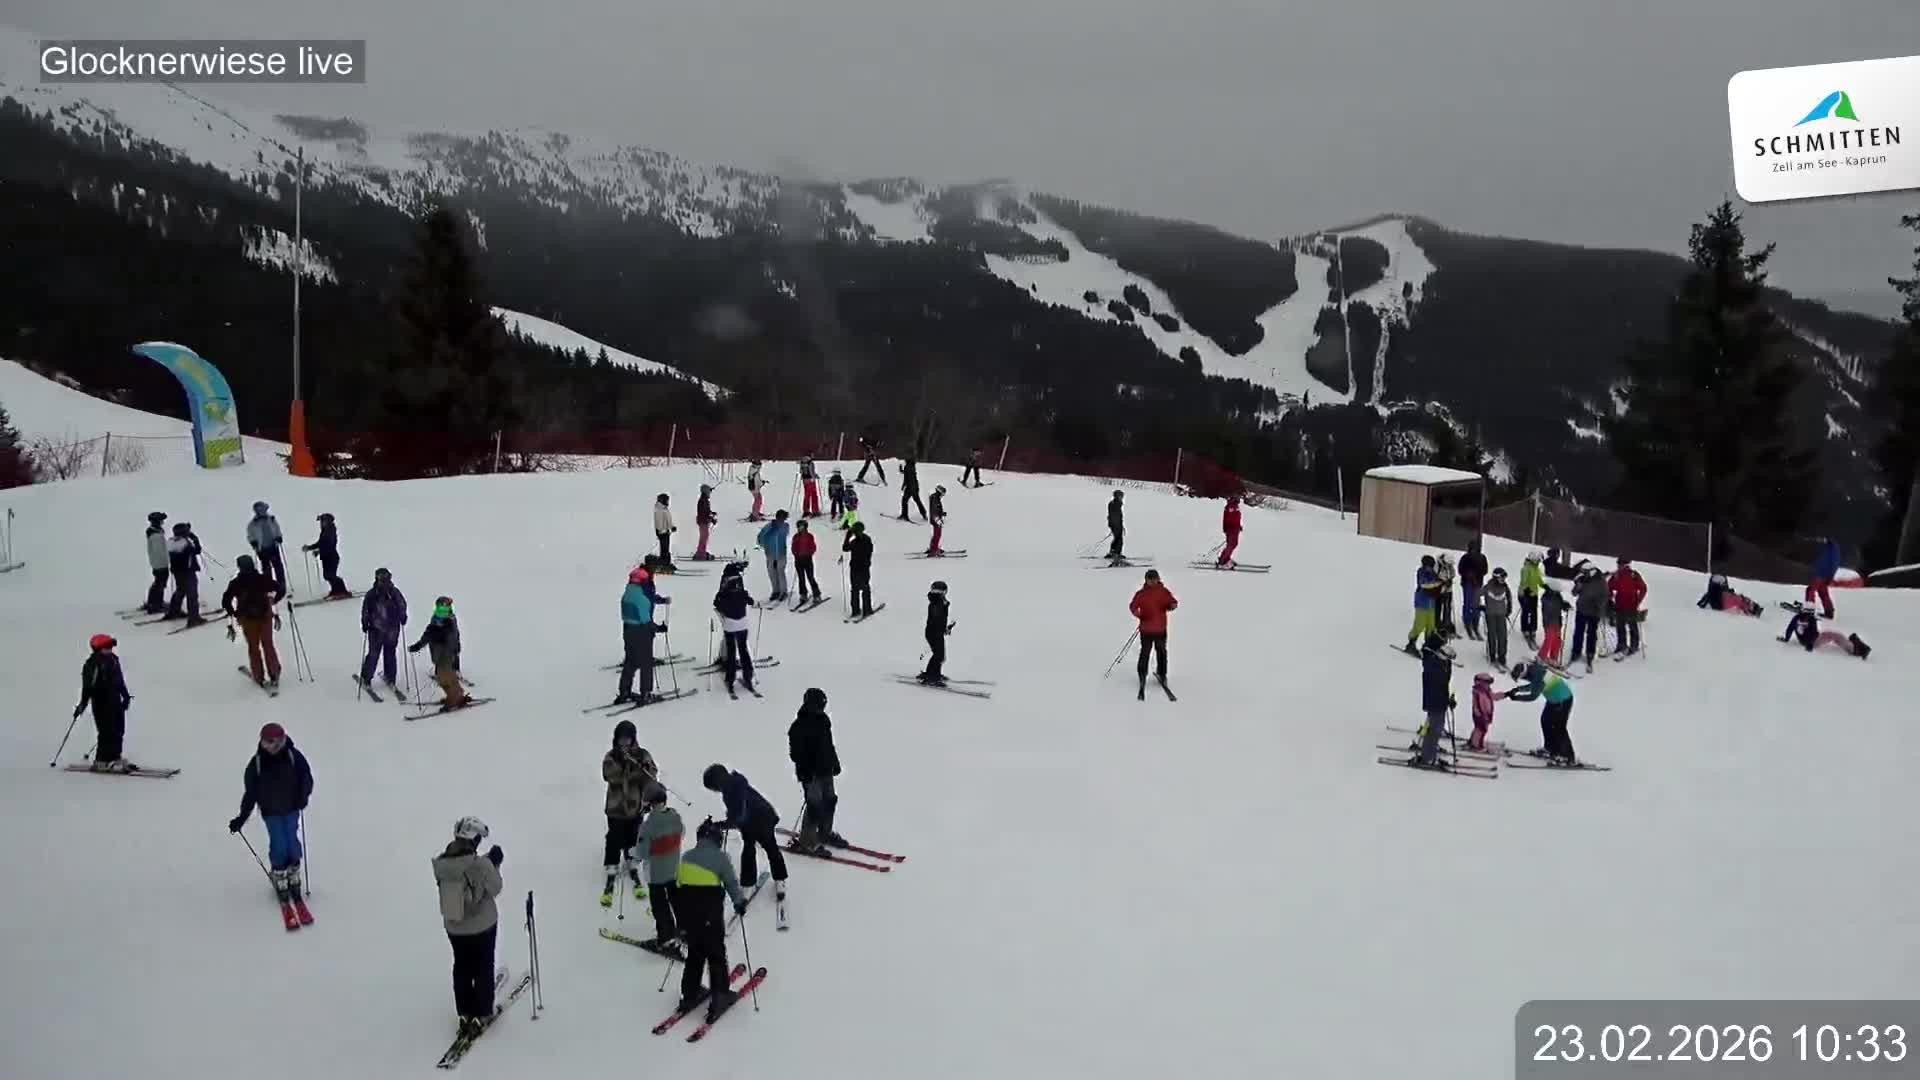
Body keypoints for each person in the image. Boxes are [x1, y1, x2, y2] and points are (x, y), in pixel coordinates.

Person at [228, 722, 314, 918]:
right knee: (279, 843)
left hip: (291, 808)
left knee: (292, 841)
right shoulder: (257, 764)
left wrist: (303, 796)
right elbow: (250, 794)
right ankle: (280, 875)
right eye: (268, 743)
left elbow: (306, 777)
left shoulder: (293, 756)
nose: (272, 747)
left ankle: (293, 872)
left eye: (275, 742)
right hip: (271, 812)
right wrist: (241, 818)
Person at [432, 817, 504, 1039]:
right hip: (482, 926)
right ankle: (481, 1014)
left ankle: (464, 1011)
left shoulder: (442, 864)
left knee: (462, 966)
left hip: (454, 927)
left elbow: (461, 874)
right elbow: (494, 887)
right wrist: (493, 863)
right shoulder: (480, 865)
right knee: (483, 966)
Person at [673, 818, 749, 1022]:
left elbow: (677, 887)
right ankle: (720, 997)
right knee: (716, 955)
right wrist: (739, 902)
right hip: (710, 917)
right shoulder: (720, 858)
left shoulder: (686, 857)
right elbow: (731, 882)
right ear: (717, 839)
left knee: (695, 954)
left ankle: (689, 995)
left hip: (689, 918)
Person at [701, 764, 787, 896]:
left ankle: (779, 879)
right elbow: (736, 814)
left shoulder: (733, 791)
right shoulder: (734, 784)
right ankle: (748, 883)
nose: (715, 791)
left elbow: (737, 816)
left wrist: (720, 825)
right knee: (749, 850)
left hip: (763, 819)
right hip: (750, 822)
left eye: (713, 788)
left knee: (769, 848)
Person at [601, 718, 658, 907]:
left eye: (628, 739)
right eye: (621, 739)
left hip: (635, 804)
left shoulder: (642, 754)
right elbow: (610, 775)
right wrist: (629, 768)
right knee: (614, 835)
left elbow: (652, 774)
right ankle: (611, 862)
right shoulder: (611, 756)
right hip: (616, 806)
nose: (624, 742)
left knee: (634, 833)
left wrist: (644, 770)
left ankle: (632, 858)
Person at [787, 688, 845, 854]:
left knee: (830, 801)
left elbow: (828, 745)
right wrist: (804, 771)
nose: (823, 706)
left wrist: (835, 763)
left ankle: (824, 833)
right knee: (814, 806)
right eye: (821, 703)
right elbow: (796, 754)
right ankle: (807, 841)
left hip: (826, 770)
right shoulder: (798, 726)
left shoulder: (823, 720)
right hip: (810, 774)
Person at [222, 554, 286, 688]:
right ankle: (274, 673)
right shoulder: (262, 579)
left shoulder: (236, 583)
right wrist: (274, 600)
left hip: (247, 618)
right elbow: (280, 588)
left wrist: (233, 613)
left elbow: (226, 599)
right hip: (265, 616)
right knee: (268, 645)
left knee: (253, 647)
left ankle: (258, 676)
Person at [636, 782, 685, 956]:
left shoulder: (648, 826)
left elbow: (641, 852)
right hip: (673, 869)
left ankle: (666, 939)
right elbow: (681, 833)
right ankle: (684, 930)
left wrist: (632, 852)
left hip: (655, 874)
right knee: (677, 900)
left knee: (660, 906)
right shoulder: (675, 816)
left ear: (650, 804)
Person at [74, 633, 133, 771]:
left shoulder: (113, 660)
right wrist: (82, 704)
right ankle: (101, 760)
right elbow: (87, 687)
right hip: (101, 702)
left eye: (111, 646)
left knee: (119, 729)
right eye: (106, 647)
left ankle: (115, 757)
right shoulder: (92, 664)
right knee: (106, 731)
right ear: (97, 648)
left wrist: (126, 696)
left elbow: (120, 680)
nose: (109, 649)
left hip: (115, 701)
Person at [1505, 660, 1577, 765]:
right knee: (1546, 722)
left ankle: (1567, 756)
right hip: (1553, 700)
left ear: (1524, 673)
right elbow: (1533, 686)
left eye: (1521, 677)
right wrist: (1517, 689)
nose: (1522, 679)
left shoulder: (1538, 674)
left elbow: (1532, 696)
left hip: (1563, 701)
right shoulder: (1533, 671)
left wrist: (1516, 697)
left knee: (1559, 728)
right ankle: (1550, 749)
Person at [408, 597, 469, 709]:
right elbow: (428, 634)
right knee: (449, 675)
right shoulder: (435, 620)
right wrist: (418, 645)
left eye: (445, 609)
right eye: (439, 608)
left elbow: (453, 637)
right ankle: (457, 694)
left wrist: (453, 646)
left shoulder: (450, 621)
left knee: (444, 678)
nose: (442, 612)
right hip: (437, 653)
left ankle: (454, 698)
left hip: (446, 654)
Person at [359, 567, 409, 698]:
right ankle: (366, 677)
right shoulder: (372, 594)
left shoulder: (394, 592)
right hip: (376, 629)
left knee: (390, 653)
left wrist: (403, 616)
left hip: (392, 629)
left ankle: (390, 677)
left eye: (387, 579)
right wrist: (365, 622)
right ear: (377, 580)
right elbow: (365, 610)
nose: (385, 583)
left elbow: (402, 604)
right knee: (374, 654)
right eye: (382, 580)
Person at [1129, 568, 1178, 697]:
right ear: (1146, 580)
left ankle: (1162, 673)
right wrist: (1137, 613)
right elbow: (1133, 605)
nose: (1152, 582)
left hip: (1160, 629)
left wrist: (1172, 605)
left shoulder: (1163, 592)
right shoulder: (1141, 594)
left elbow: (1171, 602)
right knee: (1145, 652)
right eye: (1150, 579)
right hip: (1146, 630)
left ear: (1158, 579)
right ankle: (1142, 673)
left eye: (1154, 579)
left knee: (1161, 651)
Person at [713, 562, 759, 696]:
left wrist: (722, 608)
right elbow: (748, 599)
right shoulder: (740, 583)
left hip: (730, 623)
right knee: (743, 649)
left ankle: (730, 678)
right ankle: (748, 676)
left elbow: (717, 601)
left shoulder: (725, 583)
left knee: (731, 652)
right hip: (742, 622)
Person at [1412, 632, 1456, 768]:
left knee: (1436, 727)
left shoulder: (1442, 664)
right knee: (1434, 729)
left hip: (1439, 701)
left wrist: (1449, 698)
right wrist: (1446, 699)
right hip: (1435, 701)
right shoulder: (1433, 666)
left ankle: (1429, 752)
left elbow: (1445, 684)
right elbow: (1438, 686)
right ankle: (1427, 757)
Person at [1779, 609, 1871, 659]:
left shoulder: (1804, 618)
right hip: (1811, 641)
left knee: (1834, 635)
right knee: (1834, 636)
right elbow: (1791, 628)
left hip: (1810, 640)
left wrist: (1787, 639)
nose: (1808, 616)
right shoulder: (1804, 619)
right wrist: (1810, 644)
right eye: (1808, 613)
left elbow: (1812, 632)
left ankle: (1851, 643)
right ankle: (1855, 649)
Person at [302, 513, 352, 598]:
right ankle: (335, 590)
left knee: (330, 575)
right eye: (321, 521)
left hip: (331, 557)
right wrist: (310, 548)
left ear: (328, 522)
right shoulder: (325, 531)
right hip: (326, 557)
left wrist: (319, 551)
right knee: (327, 575)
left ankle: (342, 591)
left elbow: (328, 544)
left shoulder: (330, 531)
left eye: (323, 521)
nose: (321, 523)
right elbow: (320, 543)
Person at [164, 521, 206, 623]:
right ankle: (194, 618)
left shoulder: (170, 542)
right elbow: (197, 550)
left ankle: (174, 611)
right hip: (188, 572)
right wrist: (195, 538)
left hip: (177, 572)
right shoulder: (186, 543)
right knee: (192, 594)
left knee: (180, 591)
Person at [1607, 557, 1647, 657]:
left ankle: (1632, 645)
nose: (1619, 566)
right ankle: (1623, 645)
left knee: (1631, 626)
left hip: (1630, 605)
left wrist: (1638, 600)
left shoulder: (1633, 575)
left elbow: (1643, 588)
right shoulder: (1617, 575)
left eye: (1621, 564)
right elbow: (1609, 587)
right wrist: (1610, 598)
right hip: (1621, 604)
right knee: (1621, 626)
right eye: (1619, 564)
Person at [1571, 566, 1608, 672]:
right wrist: (1577, 586)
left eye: (1586, 573)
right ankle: (1576, 652)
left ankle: (1590, 653)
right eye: (1583, 572)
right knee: (1578, 632)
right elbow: (1574, 593)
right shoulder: (1582, 579)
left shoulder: (1601, 582)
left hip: (1593, 612)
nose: (1584, 574)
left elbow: (1605, 596)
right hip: (1581, 610)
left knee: (1591, 634)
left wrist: (1599, 605)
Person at [247, 501, 287, 592]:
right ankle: (269, 586)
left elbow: (277, 529)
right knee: (266, 568)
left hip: (273, 546)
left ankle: (281, 585)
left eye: (262, 509)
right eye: (258, 509)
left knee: (278, 566)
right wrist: (253, 542)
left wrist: (279, 537)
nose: (261, 511)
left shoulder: (272, 519)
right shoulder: (253, 523)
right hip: (262, 548)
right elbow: (250, 535)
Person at [1405, 555, 1441, 653]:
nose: (1431, 568)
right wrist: (1437, 584)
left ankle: (1428, 645)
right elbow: (1424, 584)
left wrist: (1443, 585)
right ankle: (1411, 643)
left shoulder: (1433, 573)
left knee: (1431, 626)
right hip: (1422, 602)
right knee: (1419, 625)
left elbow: (1437, 585)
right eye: (1429, 566)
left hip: (1431, 603)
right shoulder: (1421, 572)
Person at [919, 580, 952, 685]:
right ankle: (931, 676)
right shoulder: (936, 603)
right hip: (934, 633)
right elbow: (937, 619)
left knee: (939, 655)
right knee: (939, 655)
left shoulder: (939, 601)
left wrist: (945, 628)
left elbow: (940, 619)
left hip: (935, 632)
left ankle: (934, 673)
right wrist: (943, 629)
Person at [1479, 567, 1513, 668]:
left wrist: (1509, 609)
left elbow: (1509, 598)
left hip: (1501, 614)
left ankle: (1502, 656)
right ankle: (1492, 655)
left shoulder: (1505, 587)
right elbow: (1479, 595)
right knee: (1492, 635)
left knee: (1502, 635)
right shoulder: (1488, 587)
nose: (1503, 580)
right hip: (1490, 614)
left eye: (1504, 578)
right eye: (1501, 578)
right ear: (1496, 577)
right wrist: (1480, 606)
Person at [756, 509, 791, 603]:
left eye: (783, 519)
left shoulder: (785, 526)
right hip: (770, 553)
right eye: (781, 518)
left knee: (780, 571)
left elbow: (785, 533)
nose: (782, 521)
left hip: (781, 553)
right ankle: (776, 591)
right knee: (772, 572)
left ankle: (783, 591)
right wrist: (764, 545)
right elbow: (761, 536)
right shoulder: (770, 526)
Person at [1458, 538, 1488, 641]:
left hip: (1478, 583)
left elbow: (1485, 570)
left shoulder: (1482, 557)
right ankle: (1467, 621)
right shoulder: (1465, 557)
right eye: (1472, 548)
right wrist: (1468, 575)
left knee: (1476, 603)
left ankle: (1475, 622)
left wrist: (1477, 575)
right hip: (1467, 583)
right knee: (1468, 603)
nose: (1473, 550)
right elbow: (1460, 569)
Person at [843, 521, 874, 617]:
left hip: (863, 567)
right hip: (855, 567)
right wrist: (847, 537)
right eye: (855, 532)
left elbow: (868, 552)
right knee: (855, 589)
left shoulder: (866, 540)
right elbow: (845, 548)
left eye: (857, 531)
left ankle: (867, 609)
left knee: (865, 588)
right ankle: (855, 610)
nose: (856, 533)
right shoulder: (854, 541)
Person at [1697, 573, 1763, 616]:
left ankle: (1753, 609)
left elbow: (1708, 595)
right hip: (1720, 602)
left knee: (1739, 599)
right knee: (1739, 599)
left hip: (1720, 601)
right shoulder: (1717, 584)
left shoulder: (1715, 586)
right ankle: (1754, 609)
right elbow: (1709, 595)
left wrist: (1701, 603)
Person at [1806, 537, 1841, 619]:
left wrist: (1830, 576)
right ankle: (1829, 611)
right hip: (1822, 574)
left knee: (1810, 590)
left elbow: (1833, 564)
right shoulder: (1826, 548)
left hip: (1822, 574)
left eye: (1823, 539)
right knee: (1823, 593)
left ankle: (1809, 609)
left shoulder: (1832, 548)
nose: (1820, 540)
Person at [143, 511, 170, 613]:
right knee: (160, 583)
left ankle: (153, 602)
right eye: (161, 520)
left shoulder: (156, 532)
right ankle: (156, 604)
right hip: (160, 563)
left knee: (159, 582)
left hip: (158, 562)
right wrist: (168, 558)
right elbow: (159, 551)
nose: (163, 522)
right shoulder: (155, 535)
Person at [1517, 551, 1545, 648]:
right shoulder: (1526, 568)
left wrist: (1546, 586)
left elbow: (1539, 580)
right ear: (1533, 559)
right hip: (1525, 594)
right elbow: (1524, 581)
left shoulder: (1536, 569)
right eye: (1537, 560)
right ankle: (1525, 629)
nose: (1538, 562)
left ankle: (1533, 629)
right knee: (1526, 611)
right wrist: (1525, 591)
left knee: (1534, 612)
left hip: (1533, 594)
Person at [791, 520, 822, 604]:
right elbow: (793, 547)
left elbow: (813, 547)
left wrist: (809, 554)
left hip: (807, 559)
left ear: (805, 527)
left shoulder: (809, 536)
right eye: (799, 527)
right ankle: (803, 594)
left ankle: (816, 594)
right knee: (801, 578)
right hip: (798, 560)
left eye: (801, 526)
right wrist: (795, 554)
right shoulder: (796, 536)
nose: (800, 528)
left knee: (810, 577)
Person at [1540, 582, 1568, 666]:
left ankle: (1553, 658)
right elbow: (1551, 605)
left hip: (1557, 621)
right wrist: (1561, 604)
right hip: (1548, 622)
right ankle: (1541, 657)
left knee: (1558, 640)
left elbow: (1560, 603)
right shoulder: (1546, 597)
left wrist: (1565, 605)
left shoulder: (1557, 595)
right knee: (1549, 639)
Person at [1468, 672, 1497, 752]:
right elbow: (1476, 704)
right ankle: (1476, 745)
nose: (1488, 685)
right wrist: (1479, 713)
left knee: (1481, 729)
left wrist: (1505, 695)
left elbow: (1494, 696)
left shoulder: (1487, 691)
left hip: (1486, 714)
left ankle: (1473, 741)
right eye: (1487, 683)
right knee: (1480, 729)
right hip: (1480, 714)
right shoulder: (1478, 692)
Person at [1434, 553, 1457, 637]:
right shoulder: (1437, 565)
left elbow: (1453, 573)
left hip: (1448, 590)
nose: (1449, 565)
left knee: (1447, 608)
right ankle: (1437, 625)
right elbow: (1434, 576)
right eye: (1448, 563)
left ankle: (1447, 624)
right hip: (1439, 590)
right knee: (1438, 608)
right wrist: (1442, 581)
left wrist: (1450, 580)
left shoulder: (1450, 566)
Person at [899, 454, 927, 521]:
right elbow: (908, 474)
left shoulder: (907, 467)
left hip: (911, 487)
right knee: (917, 500)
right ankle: (924, 513)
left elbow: (907, 478)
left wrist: (905, 486)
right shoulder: (912, 466)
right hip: (915, 486)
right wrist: (902, 470)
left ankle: (904, 515)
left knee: (904, 501)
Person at [693, 484, 717, 561]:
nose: (710, 493)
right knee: (704, 537)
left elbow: (706, 511)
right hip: (703, 521)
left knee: (704, 537)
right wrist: (711, 518)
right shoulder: (703, 501)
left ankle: (700, 552)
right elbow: (703, 513)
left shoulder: (704, 500)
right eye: (709, 491)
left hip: (703, 521)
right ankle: (701, 554)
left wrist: (711, 513)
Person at [1218, 496, 1243, 567]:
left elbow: (1237, 517)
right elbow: (1228, 519)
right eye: (1238, 498)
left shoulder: (1236, 506)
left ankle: (1225, 558)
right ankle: (1223, 560)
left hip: (1235, 528)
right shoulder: (1230, 506)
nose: (1239, 499)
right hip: (1231, 529)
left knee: (1233, 544)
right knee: (1231, 545)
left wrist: (1239, 525)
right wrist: (1227, 528)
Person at [652, 494, 676, 566]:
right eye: (667, 500)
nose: (668, 502)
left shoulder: (663, 508)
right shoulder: (660, 509)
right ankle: (663, 563)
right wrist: (661, 530)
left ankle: (665, 563)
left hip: (665, 531)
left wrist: (671, 527)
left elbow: (668, 520)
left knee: (665, 548)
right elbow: (659, 522)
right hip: (663, 532)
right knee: (664, 549)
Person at [926, 485, 949, 556]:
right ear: (940, 492)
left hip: (935, 519)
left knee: (936, 535)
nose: (943, 496)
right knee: (937, 535)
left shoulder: (935, 498)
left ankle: (933, 548)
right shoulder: (936, 499)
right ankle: (934, 550)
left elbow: (936, 509)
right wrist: (938, 520)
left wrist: (942, 513)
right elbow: (934, 511)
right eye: (942, 494)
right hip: (936, 519)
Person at [1106, 490, 1126, 560]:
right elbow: (1115, 515)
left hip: (1115, 524)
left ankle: (1113, 552)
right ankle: (1116, 554)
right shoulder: (1116, 503)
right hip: (1115, 524)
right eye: (1121, 496)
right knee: (1119, 539)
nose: (1122, 497)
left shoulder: (1115, 503)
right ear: (1117, 496)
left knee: (1117, 538)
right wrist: (1116, 525)